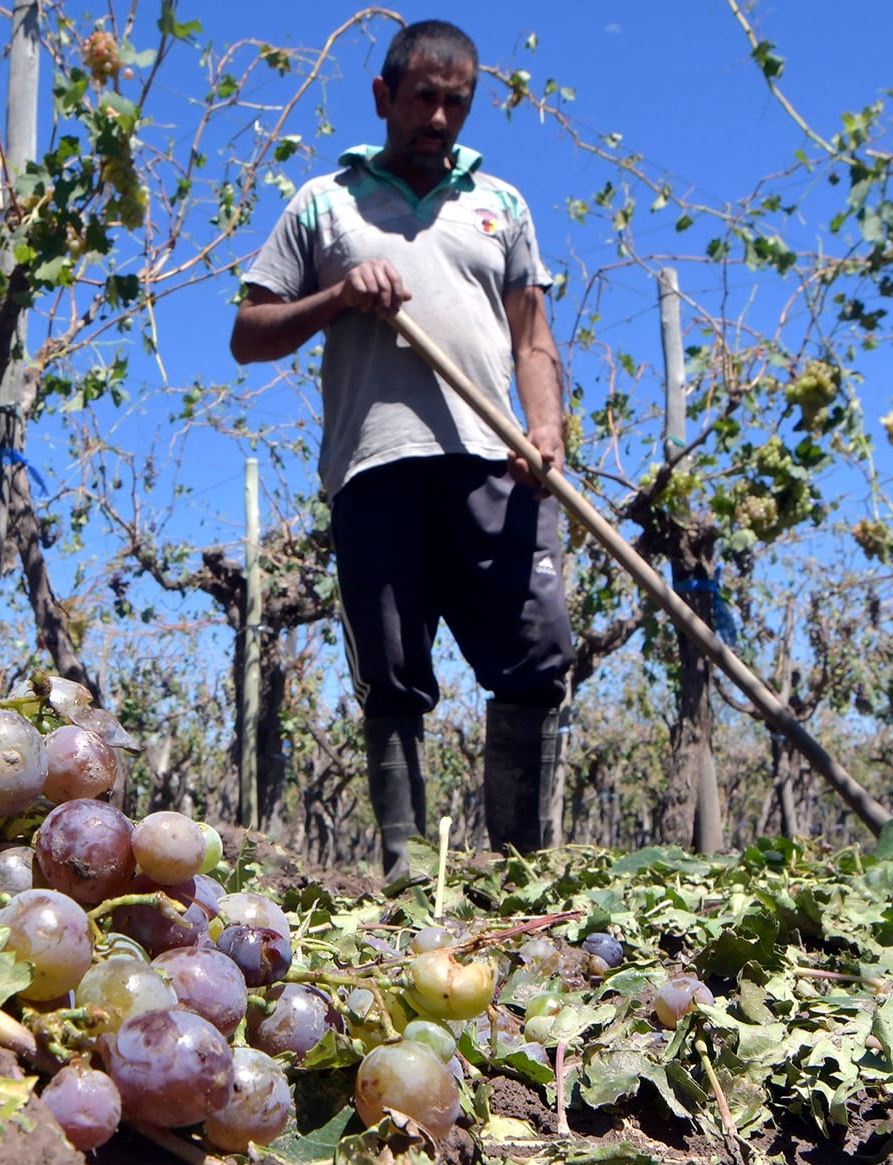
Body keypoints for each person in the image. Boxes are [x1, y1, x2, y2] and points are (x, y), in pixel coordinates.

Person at [230, 19, 573, 884]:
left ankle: (523, 876)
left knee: (536, 657)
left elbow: (533, 339)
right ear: (385, 97)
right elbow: (249, 333)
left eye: (456, 102)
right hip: (376, 466)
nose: (439, 118)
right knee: (392, 675)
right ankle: (407, 874)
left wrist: (546, 429)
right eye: (424, 98)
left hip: (496, 461)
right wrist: (341, 295)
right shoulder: (324, 202)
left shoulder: (503, 206)